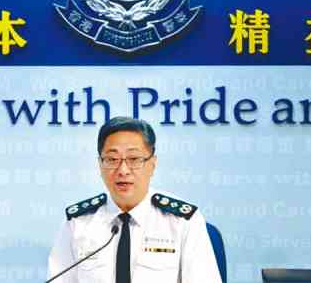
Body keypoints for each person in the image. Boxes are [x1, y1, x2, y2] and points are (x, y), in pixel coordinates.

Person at [47, 116, 222, 283]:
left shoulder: (183, 222)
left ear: (152, 164)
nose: (123, 170)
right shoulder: (77, 223)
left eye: (134, 159)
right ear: (100, 165)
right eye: (112, 159)